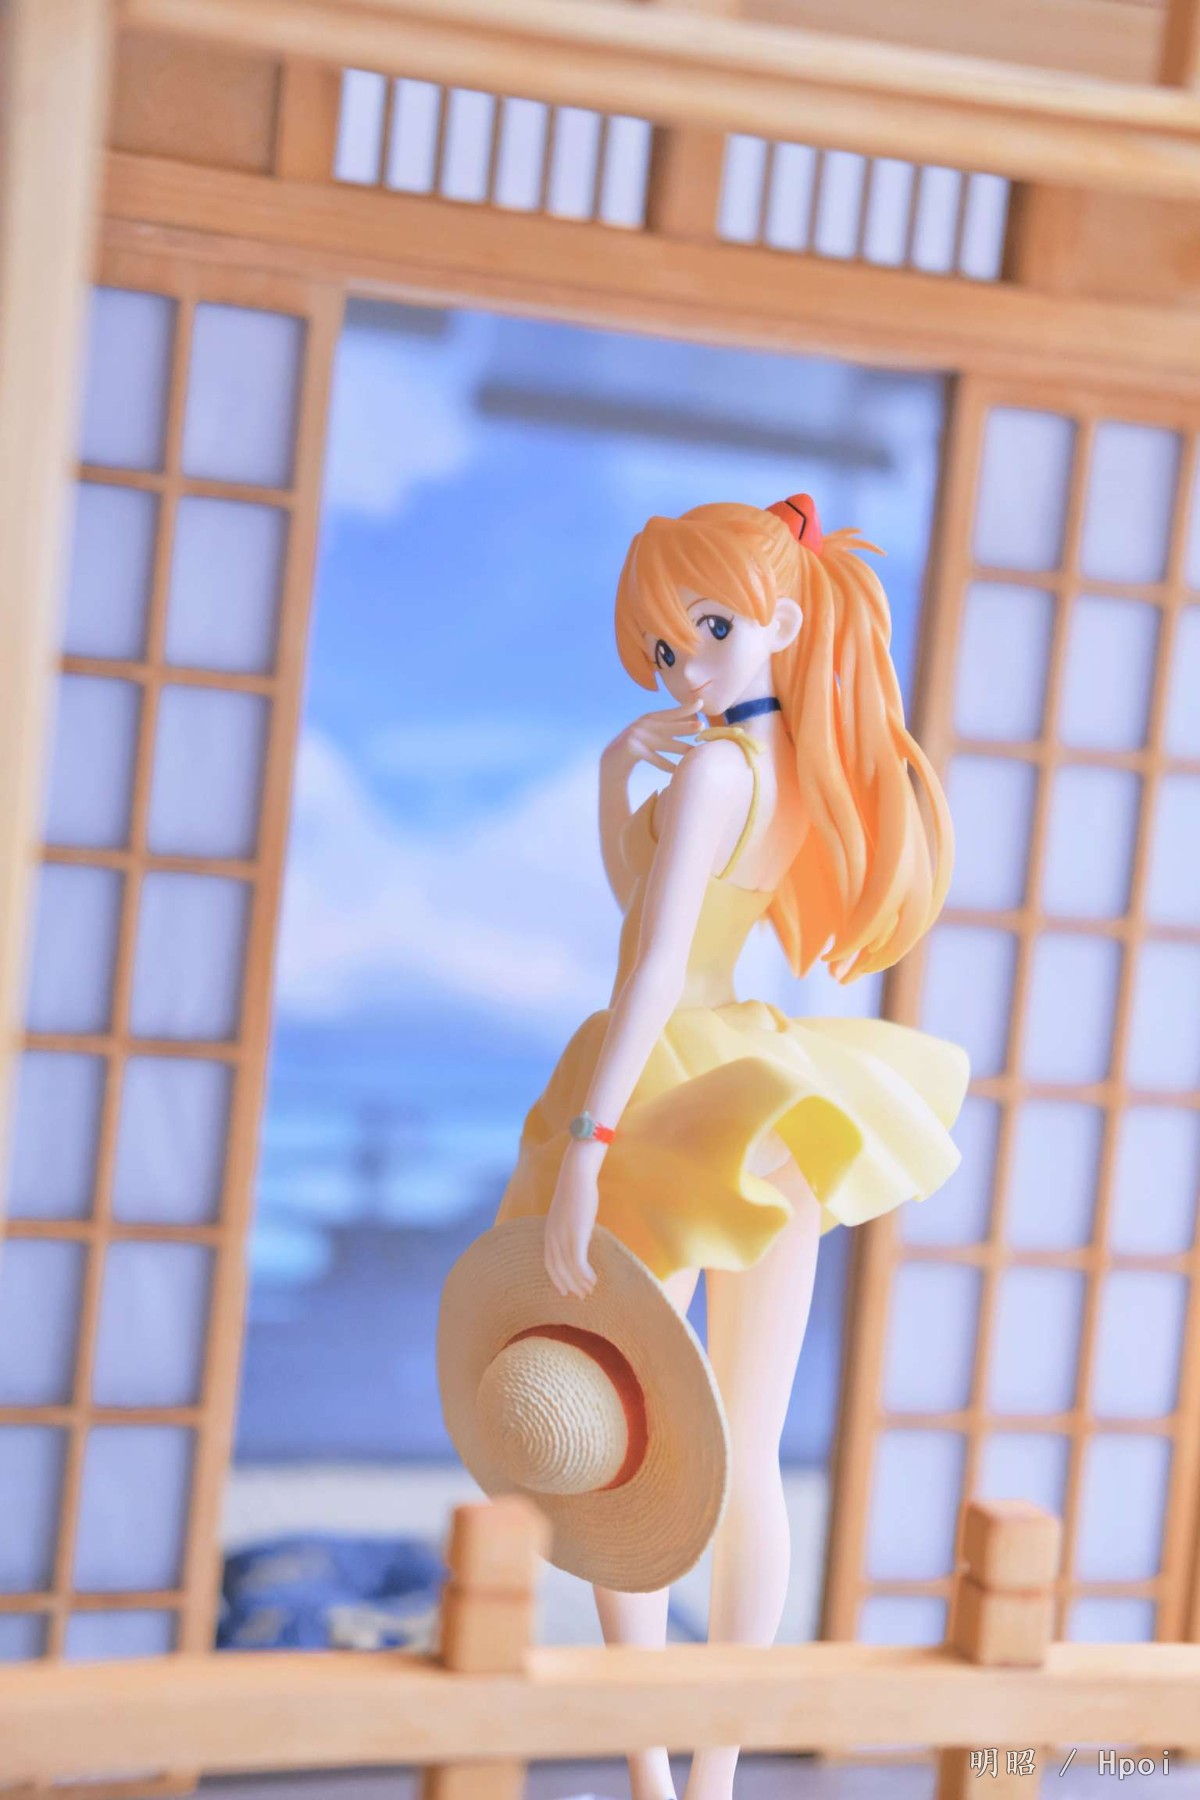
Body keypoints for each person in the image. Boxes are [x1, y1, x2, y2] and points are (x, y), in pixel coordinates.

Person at [493, 494, 970, 1800]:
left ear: (785, 622)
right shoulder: (787, 768)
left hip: (662, 1090)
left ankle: (655, 1771)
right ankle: (711, 1772)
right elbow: (650, 912)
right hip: (757, 1091)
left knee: (632, 1438)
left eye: (707, 630)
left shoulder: (714, 772)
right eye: (664, 648)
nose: (684, 667)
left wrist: (588, 1139)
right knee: (746, 1450)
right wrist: (616, 781)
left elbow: (651, 965)